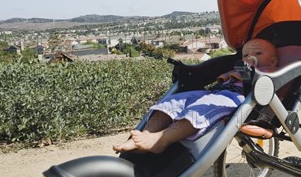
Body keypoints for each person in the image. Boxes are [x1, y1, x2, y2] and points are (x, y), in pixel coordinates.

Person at [113, 38, 278, 154]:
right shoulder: (237, 69)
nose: (250, 58)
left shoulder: (270, 72)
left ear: (273, 61)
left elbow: (269, 87)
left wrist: (252, 73)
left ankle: (162, 140)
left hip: (241, 99)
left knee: (200, 109)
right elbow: (221, 78)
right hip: (217, 91)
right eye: (245, 55)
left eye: (258, 53)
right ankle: (147, 134)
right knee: (174, 102)